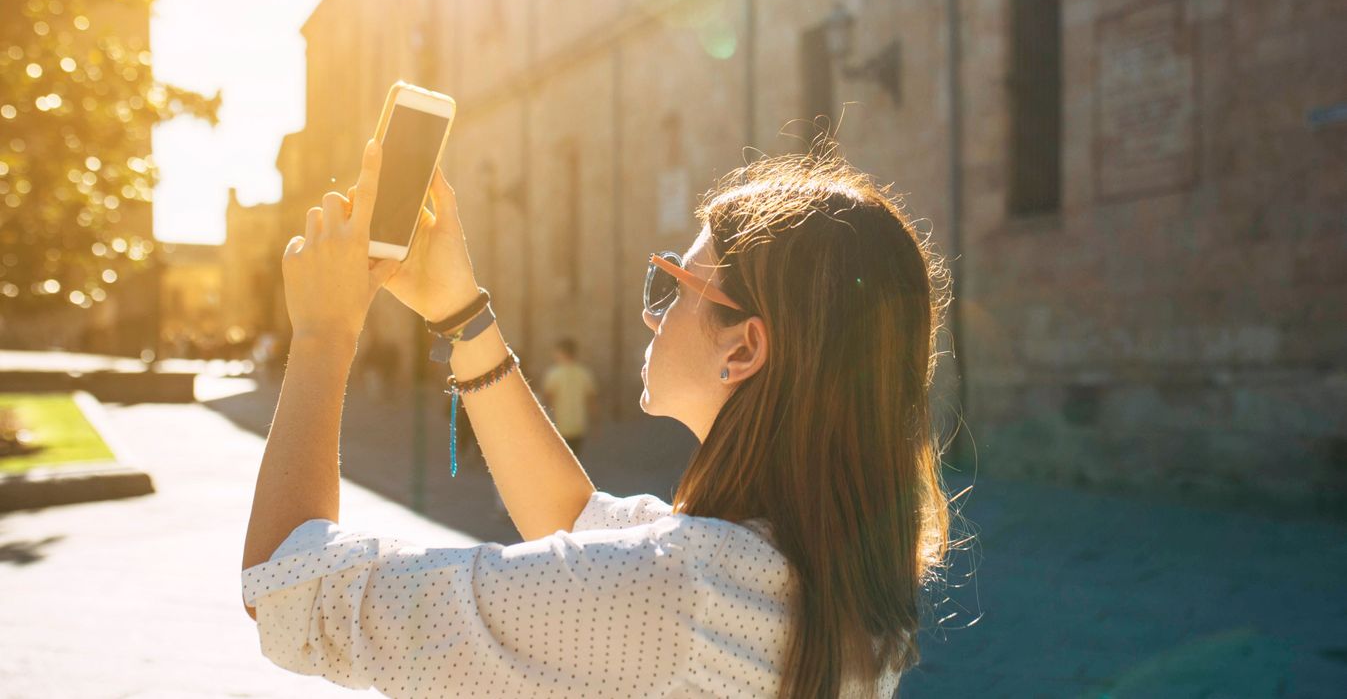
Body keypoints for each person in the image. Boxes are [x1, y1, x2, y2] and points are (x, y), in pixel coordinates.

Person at [242, 135, 955, 697]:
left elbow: (287, 587)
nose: (652, 315)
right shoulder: (826, 576)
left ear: (742, 349)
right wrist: (461, 313)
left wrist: (323, 333)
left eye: (672, 287)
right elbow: (574, 516)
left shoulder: (676, 593)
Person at [541, 336, 597, 458]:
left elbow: (547, 398)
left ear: (561, 353)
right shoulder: (584, 373)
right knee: (575, 458)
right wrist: (594, 422)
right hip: (579, 424)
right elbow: (591, 399)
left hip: (560, 424)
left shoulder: (553, 373)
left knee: (561, 459)